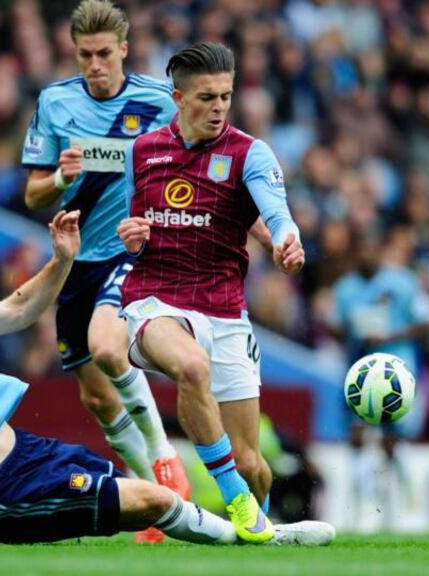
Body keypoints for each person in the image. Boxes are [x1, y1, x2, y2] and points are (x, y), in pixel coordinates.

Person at [0, 210, 334, 546]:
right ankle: (260, 540)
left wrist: (60, 260)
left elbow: (18, 308)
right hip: (0, 489)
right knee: (154, 501)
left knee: (135, 488)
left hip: (27, 453)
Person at [117, 42, 306, 543]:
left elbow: (277, 213)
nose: (219, 107)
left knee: (254, 464)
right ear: (178, 98)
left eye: (225, 95)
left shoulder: (249, 152)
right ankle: (238, 501)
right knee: (191, 367)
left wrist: (288, 240)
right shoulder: (144, 151)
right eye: (206, 97)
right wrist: (131, 234)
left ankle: (253, 520)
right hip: (154, 299)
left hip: (223, 310)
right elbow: (131, 220)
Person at [21, 0, 188, 541]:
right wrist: (59, 180)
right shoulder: (55, 102)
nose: (94, 64)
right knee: (96, 396)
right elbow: (32, 193)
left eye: (103, 54)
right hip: (75, 260)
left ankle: (165, 460)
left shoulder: (159, 101)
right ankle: (153, 502)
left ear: (123, 48)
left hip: (129, 250)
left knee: (111, 347)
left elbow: (191, 164)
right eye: (84, 55)